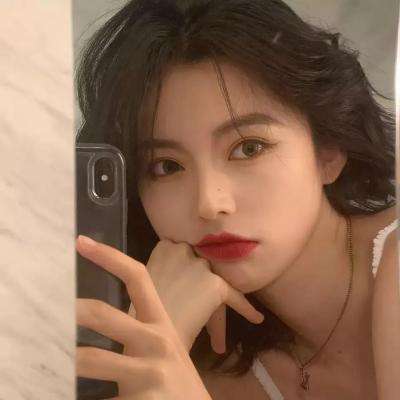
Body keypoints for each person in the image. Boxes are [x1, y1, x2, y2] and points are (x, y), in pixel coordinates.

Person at [75, 0, 399, 399]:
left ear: (328, 151)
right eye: (166, 166)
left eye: (248, 148)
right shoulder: (209, 362)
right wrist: (160, 342)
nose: (209, 204)